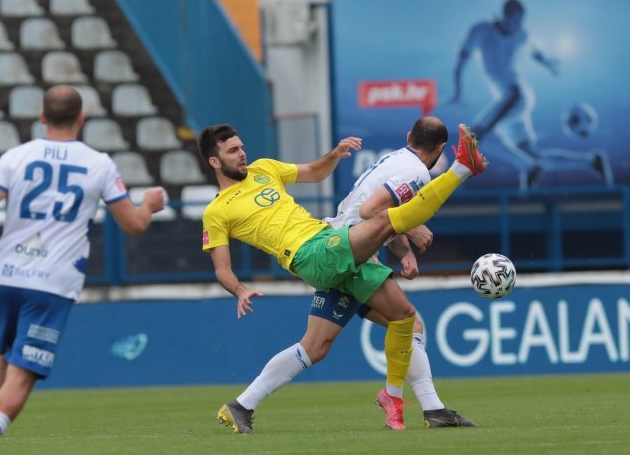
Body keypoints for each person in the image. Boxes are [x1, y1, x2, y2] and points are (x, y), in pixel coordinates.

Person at [198, 122, 486, 433]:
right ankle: (461, 169)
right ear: (215, 162)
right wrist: (239, 290)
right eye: (233, 151)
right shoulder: (216, 212)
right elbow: (222, 269)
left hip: (328, 240)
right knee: (385, 223)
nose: (242, 154)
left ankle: (241, 406)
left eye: (241, 147)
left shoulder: (263, 168)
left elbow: (314, 172)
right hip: (312, 254)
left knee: (385, 325)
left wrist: (333, 155)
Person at [0, 85, 165, 455]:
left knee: (0, 354)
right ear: (81, 119)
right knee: (23, 374)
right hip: (53, 282)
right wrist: (149, 204)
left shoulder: (15, 157)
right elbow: (132, 224)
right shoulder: (98, 164)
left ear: (42, 116)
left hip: (8, 274)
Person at [309, 116, 476, 429]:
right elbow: (371, 212)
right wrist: (414, 229)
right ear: (441, 148)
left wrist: (405, 251)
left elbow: (383, 215)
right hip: (352, 255)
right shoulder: (416, 172)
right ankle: (419, 405)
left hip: (340, 247)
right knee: (408, 322)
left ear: (409, 134)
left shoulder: (396, 159)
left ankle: (243, 404)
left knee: (313, 347)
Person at [450, 0, 611, 189]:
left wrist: (549, 63)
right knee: (536, 155)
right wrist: (458, 91)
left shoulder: (521, 35)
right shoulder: (482, 30)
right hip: (508, 100)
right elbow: (462, 58)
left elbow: (536, 52)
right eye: (515, 20)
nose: (518, 25)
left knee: (472, 137)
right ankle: (591, 161)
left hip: (515, 96)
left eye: (521, 21)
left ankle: (527, 166)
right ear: (505, 16)